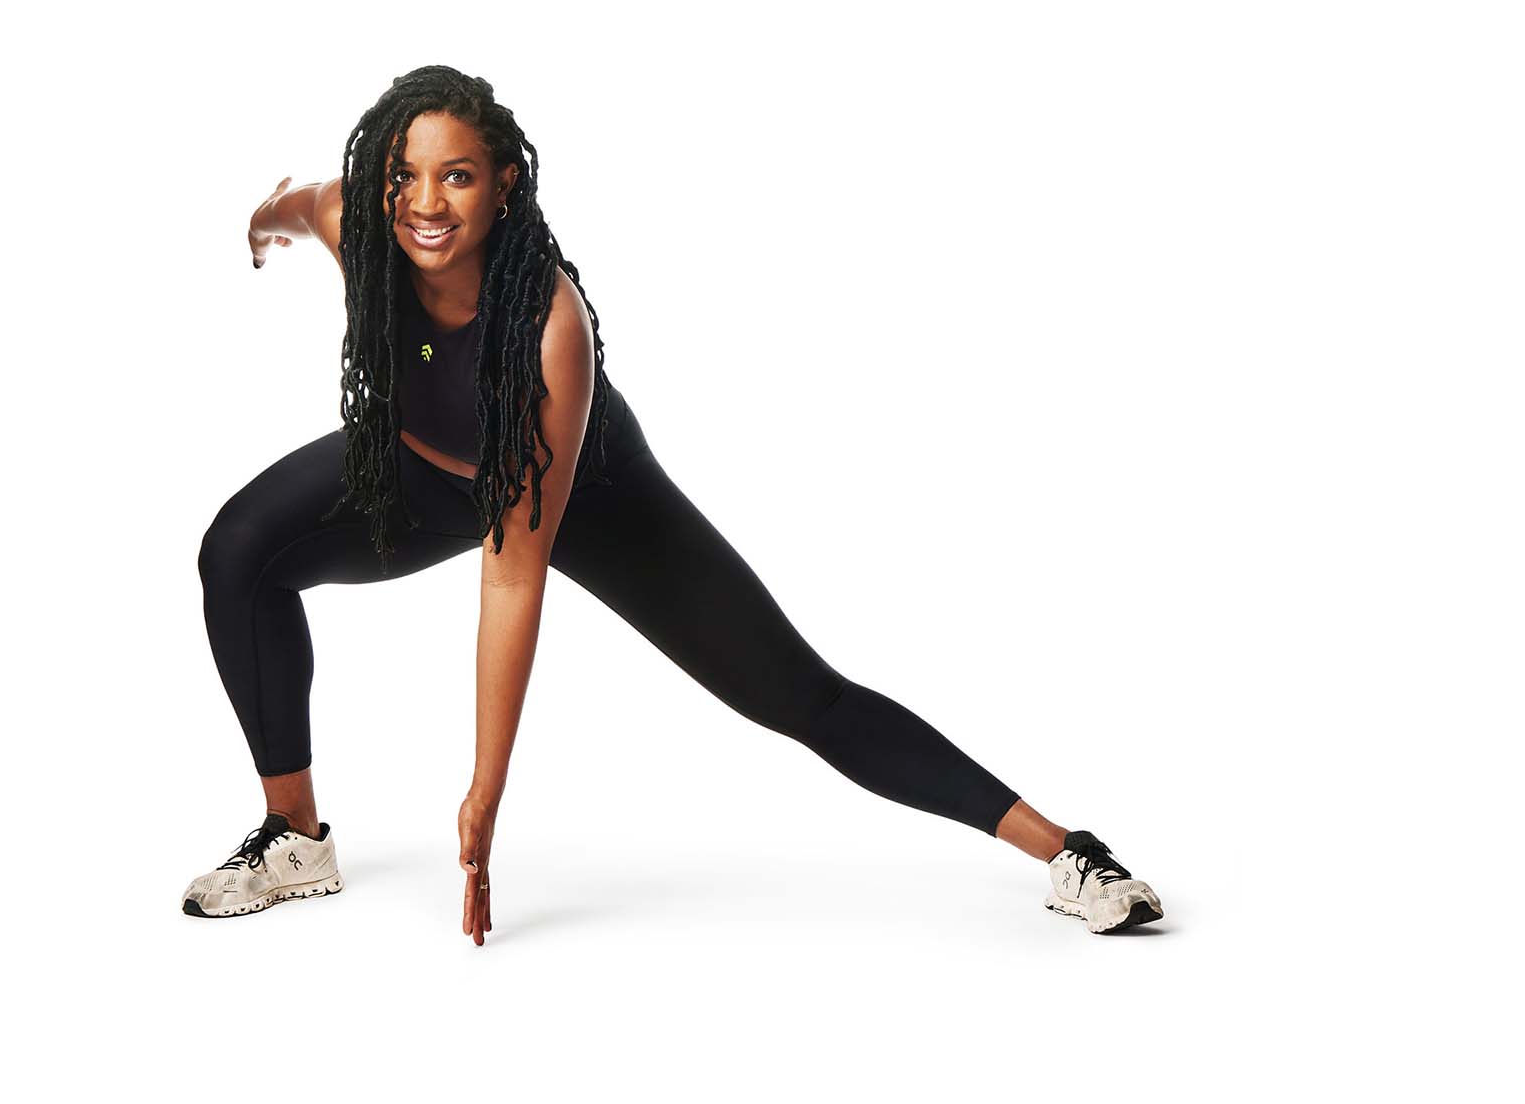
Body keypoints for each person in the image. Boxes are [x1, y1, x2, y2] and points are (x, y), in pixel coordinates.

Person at [184, 66, 1164, 942]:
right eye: (404, 175)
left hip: (591, 499)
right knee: (239, 550)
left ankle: (1071, 852)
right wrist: (262, 224)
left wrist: (483, 794)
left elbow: (513, 570)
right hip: (421, 473)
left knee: (798, 696)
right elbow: (294, 203)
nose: (423, 202)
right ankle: (294, 840)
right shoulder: (353, 220)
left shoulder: (544, 329)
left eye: (457, 175)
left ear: (503, 184)